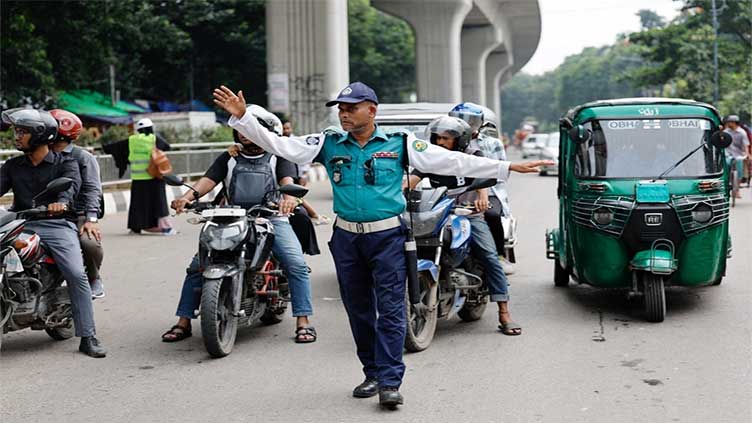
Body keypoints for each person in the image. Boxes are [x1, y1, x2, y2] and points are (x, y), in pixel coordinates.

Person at [213, 82, 551, 409]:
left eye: (351, 108)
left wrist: (506, 167)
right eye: (341, 109)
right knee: (359, 310)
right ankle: (372, 374)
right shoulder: (329, 143)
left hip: (388, 236)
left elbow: (452, 162)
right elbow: (282, 146)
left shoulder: (400, 142)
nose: (344, 115)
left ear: (371, 110)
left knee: (390, 309)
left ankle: (390, 383)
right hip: (347, 238)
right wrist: (244, 119)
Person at [162, 108, 316, 344]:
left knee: (296, 264)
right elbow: (207, 181)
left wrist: (288, 200)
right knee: (198, 266)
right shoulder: (229, 157)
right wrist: (187, 197)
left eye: (251, 128)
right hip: (231, 217)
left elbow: (287, 181)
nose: (245, 133)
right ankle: (183, 321)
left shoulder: (279, 156)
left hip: (271, 217)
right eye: (241, 129)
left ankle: (303, 321)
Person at [0, 108, 106, 357]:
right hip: (21, 222)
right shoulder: (13, 165)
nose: (16, 136)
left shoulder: (67, 163)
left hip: (57, 224)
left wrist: (61, 203)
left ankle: (88, 336)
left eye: (22, 131)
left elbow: (69, 189)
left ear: (39, 135)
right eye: (16, 131)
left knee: (76, 275)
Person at [407, 115, 520, 337]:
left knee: (489, 256)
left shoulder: (472, 155)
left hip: (468, 213)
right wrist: (397, 193)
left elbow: (484, 174)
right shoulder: (431, 159)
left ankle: (504, 313)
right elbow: (412, 180)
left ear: (459, 140)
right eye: (437, 138)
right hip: (437, 211)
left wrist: (482, 197)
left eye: (446, 139)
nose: (440, 142)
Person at [49, 109, 106, 299]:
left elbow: (92, 189)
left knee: (89, 243)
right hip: (46, 212)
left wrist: (91, 219)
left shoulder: (83, 157)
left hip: (78, 213)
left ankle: (94, 277)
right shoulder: (41, 155)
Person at [450, 103, 513, 265]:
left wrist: (480, 186)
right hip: (453, 190)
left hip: (489, 191)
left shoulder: (492, 144)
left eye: (471, 121)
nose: (466, 125)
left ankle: (499, 255)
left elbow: (501, 171)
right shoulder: (447, 142)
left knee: (491, 215)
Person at [102, 118, 175, 234]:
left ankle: (135, 228)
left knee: (137, 205)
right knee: (159, 203)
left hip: (138, 178)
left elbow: (111, 148)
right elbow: (167, 147)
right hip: (154, 176)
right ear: (151, 128)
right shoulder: (153, 139)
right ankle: (166, 228)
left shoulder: (131, 140)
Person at [283, 118, 331, 226]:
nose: (286, 130)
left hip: (296, 174)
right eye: (284, 128)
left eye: (288, 128)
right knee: (297, 197)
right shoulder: (278, 143)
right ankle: (315, 215)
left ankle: (315, 216)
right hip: (285, 175)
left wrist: (304, 175)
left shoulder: (296, 141)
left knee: (297, 197)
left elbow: (306, 159)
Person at [723, 115, 750, 197]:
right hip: (727, 153)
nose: (728, 123)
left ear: (735, 123)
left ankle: (737, 189)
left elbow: (746, 145)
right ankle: (726, 184)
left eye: (730, 122)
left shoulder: (742, 132)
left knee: (739, 169)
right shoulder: (726, 132)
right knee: (726, 164)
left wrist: (747, 154)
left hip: (739, 154)